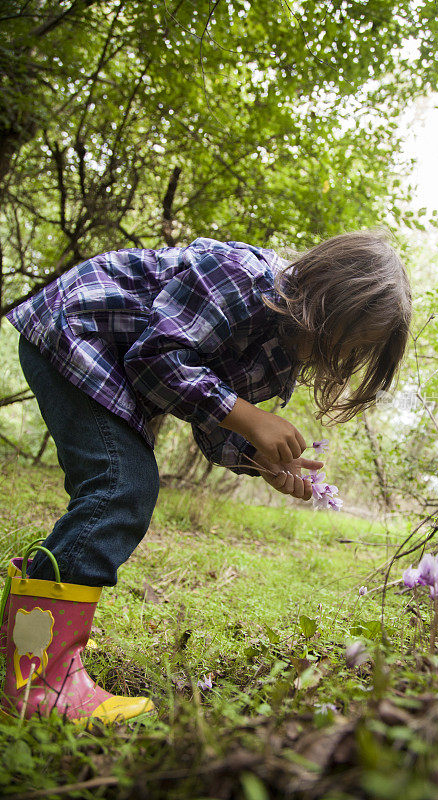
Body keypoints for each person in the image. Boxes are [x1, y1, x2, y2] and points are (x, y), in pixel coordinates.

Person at [0, 231, 412, 725]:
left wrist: (262, 461)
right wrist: (249, 417)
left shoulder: (282, 355)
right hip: (76, 328)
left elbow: (209, 420)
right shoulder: (241, 277)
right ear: (325, 296)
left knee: (121, 485)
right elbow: (156, 359)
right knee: (121, 486)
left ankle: (31, 651)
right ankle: (39, 680)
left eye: (353, 350)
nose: (335, 353)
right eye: (340, 335)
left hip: (110, 359)